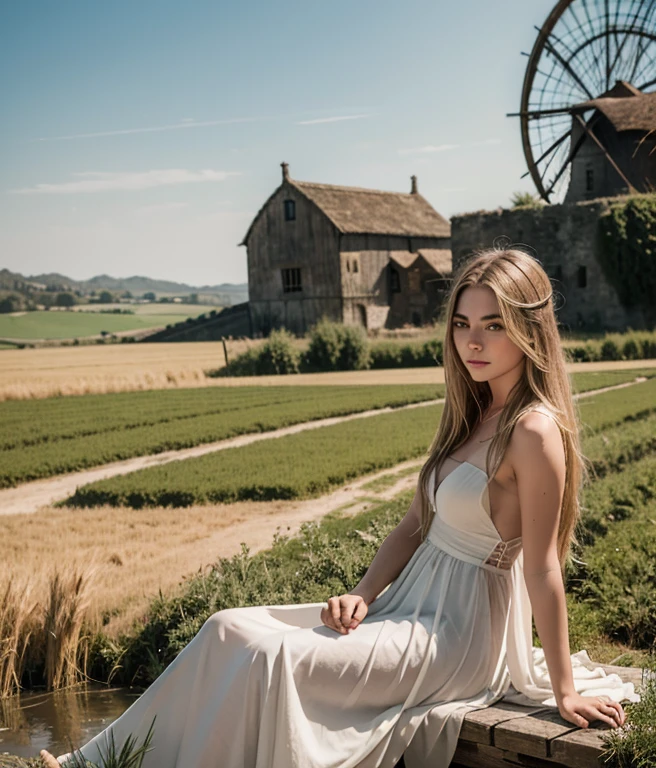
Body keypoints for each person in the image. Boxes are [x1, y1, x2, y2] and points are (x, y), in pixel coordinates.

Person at [43, 247, 639, 768]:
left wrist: (563, 689)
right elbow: (413, 527)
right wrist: (363, 594)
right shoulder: (472, 412)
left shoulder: (533, 431)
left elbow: (542, 568)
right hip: (408, 605)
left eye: (494, 325)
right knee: (225, 628)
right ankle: (91, 761)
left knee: (275, 657)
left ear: (531, 331)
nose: (472, 341)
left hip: (458, 632)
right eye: (461, 323)